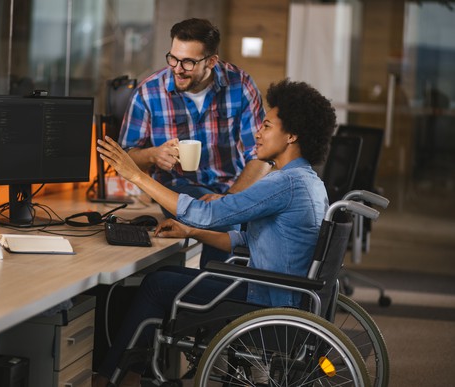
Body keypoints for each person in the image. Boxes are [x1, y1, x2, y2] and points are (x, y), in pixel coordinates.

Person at [95, 79, 336, 387]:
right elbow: (247, 240)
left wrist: (137, 176)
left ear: (291, 136)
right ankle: (125, 376)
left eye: (266, 125)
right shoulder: (308, 181)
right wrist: (191, 231)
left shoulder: (284, 184)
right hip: (285, 294)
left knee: (157, 284)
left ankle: (108, 379)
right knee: (165, 276)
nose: (257, 133)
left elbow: (210, 213)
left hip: (269, 300)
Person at [118, 18, 269, 267]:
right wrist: (153, 155)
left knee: (249, 223)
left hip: (233, 187)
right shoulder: (149, 92)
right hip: (178, 188)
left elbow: (261, 156)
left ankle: (223, 293)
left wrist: (230, 199)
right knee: (223, 223)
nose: (177, 68)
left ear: (211, 61)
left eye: (188, 62)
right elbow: (125, 156)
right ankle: (210, 297)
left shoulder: (240, 85)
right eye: (173, 58)